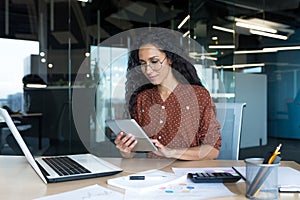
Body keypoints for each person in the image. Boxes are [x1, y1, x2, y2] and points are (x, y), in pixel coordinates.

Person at [114, 29, 221, 160]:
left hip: (187, 175)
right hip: (154, 175)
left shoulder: (198, 95)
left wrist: (171, 152)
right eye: (143, 63)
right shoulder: (143, 98)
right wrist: (125, 150)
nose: (148, 70)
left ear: (170, 58)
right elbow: (133, 151)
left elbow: (213, 150)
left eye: (154, 61)